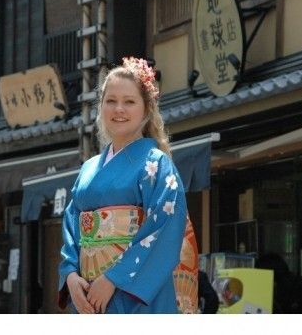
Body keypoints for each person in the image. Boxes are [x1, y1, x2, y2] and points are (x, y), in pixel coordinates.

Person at [58, 57, 198, 314]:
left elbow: (164, 229)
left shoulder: (155, 165)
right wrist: (70, 275)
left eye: (129, 101)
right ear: (101, 107)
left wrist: (114, 278)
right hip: (88, 295)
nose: (118, 109)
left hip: (135, 298)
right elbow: (71, 225)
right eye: (110, 101)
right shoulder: (88, 169)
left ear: (146, 109)